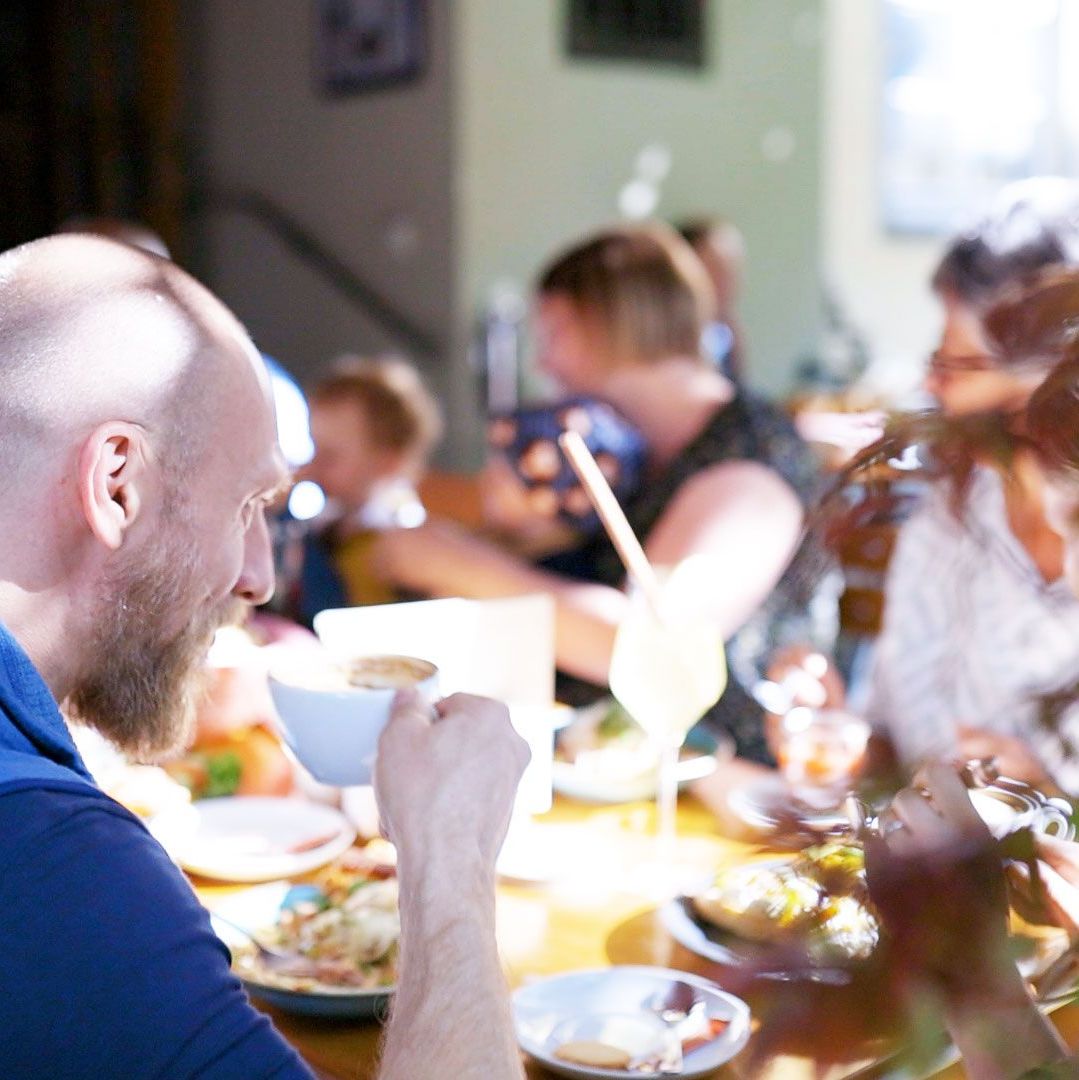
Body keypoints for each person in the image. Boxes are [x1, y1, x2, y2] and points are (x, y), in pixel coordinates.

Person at [0, 233, 529, 1079]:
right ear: (117, 485)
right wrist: (450, 867)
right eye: (247, 503)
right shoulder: (56, 870)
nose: (256, 577)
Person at [373, 223, 827, 764]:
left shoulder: (752, 467)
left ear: (613, 324)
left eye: (554, 334)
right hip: (609, 759)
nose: (543, 364)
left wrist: (452, 563)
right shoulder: (632, 449)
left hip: (718, 781)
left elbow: (655, 647)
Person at [820, 179, 1079, 792]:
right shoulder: (951, 512)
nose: (932, 386)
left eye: (956, 363)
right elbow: (887, 731)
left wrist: (1045, 798)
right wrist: (834, 732)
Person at [291, 355, 443, 622]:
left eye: (330, 457)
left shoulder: (392, 542)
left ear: (386, 463)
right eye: (313, 449)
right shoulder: (331, 522)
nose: (312, 467)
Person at [677, 216, 747, 382]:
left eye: (730, 269)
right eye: (714, 268)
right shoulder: (665, 339)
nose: (725, 280)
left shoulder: (727, 333)